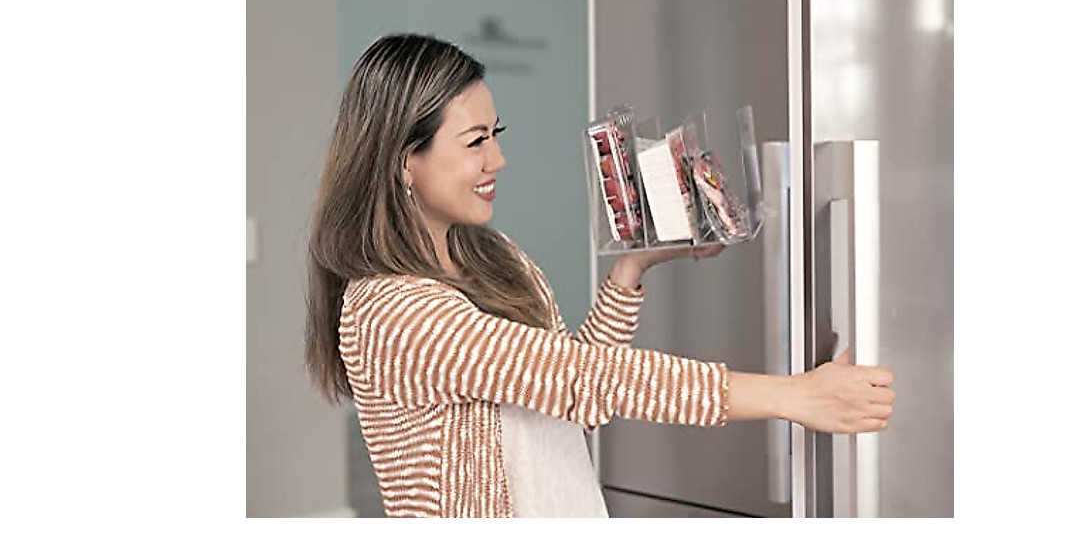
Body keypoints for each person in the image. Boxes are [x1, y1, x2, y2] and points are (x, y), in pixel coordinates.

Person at [305, 33, 895, 518]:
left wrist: (630, 270)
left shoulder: (496, 256)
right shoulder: (388, 309)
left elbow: (571, 400)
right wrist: (793, 396)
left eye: (496, 135)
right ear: (405, 158)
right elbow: (585, 378)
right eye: (475, 141)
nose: (497, 159)